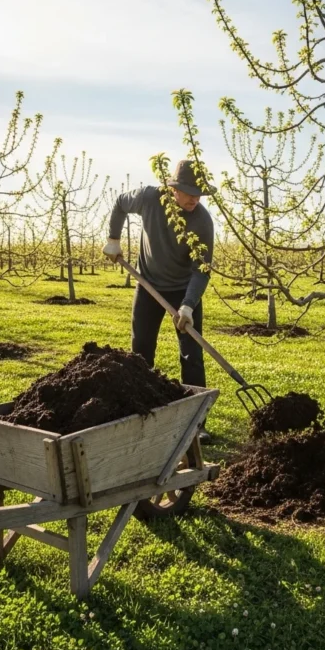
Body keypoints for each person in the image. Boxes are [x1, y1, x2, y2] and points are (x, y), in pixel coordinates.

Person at [103, 160, 214, 441]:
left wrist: (188, 304)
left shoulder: (202, 221)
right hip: (149, 285)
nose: (194, 198)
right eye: (188, 191)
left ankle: (195, 424)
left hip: (183, 291)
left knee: (191, 355)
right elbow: (119, 204)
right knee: (141, 350)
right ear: (173, 188)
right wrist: (114, 239)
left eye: (198, 193)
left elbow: (201, 269)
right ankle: (140, 413)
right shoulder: (150, 198)